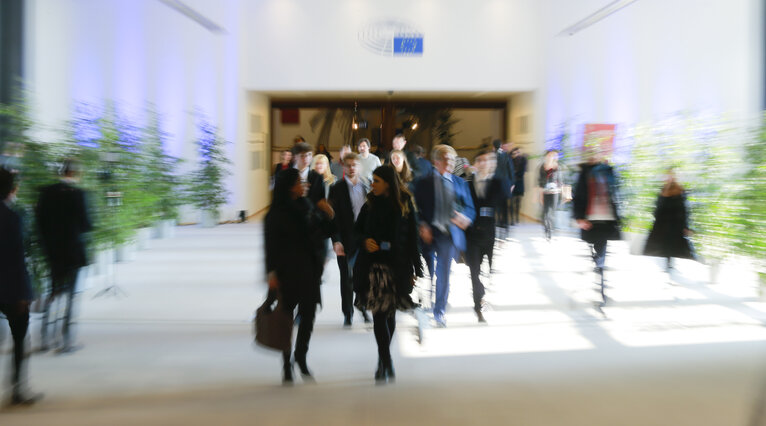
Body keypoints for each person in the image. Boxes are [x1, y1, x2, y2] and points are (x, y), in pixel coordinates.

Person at [264, 168, 334, 384]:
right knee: (285, 319)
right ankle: (286, 364)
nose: (302, 185)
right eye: (298, 182)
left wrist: (328, 214)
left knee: (308, 315)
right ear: (288, 186)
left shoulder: (307, 205)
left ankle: (300, 356)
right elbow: (270, 247)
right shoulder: (275, 214)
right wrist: (271, 273)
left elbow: (323, 233)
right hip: (286, 272)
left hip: (309, 270)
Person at [354, 165, 422, 383]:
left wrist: (416, 268)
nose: (372, 184)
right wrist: (365, 241)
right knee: (379, 314)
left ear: (387, 183)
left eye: (376, 181)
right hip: (374, 267)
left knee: (390, 313)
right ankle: (385, 359)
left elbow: (412, 238)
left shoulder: (404, 205)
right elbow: (357, 231)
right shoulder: (370, 204)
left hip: (397, 266)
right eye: (372, 180)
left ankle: (384, 359)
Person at [414, 145, 475, 327]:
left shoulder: (459, 183)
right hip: (428, 233)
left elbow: (470, 208)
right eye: (446, 160)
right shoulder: (422, 183)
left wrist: (466, 218)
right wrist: (422, 225)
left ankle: (439, 311)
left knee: (443, 274)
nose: (450, 163)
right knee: (428, 272)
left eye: (452, 160)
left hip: (449, 235)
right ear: (436, 161)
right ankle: (425, 301)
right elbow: (415, 209)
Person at [36, 158, 92, 353]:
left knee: (52, 293)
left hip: (52, 252)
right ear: (75, 173)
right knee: (70, 297)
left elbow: (39, 222)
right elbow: (86, 224)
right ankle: (66, 339)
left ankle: (44, 338)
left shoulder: (46, 193)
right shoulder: (79, 194)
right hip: (73, 253)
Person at [0, 167, 42, 405]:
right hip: (9, 289)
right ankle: (17, 389)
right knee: (18, 339)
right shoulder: (12, 217)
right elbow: (16, 259)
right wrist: (24, 293)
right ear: (11, 190)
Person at [573, 144, 621, 306]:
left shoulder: (608, 170)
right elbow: (578, 195)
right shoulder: (584, 173)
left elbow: (616, 190)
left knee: (602, 249)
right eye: (591, 154)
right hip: (590, 218)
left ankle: (601, 283)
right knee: (595, 245)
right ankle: (597, 261)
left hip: (606, 218)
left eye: (597, 153)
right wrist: (579, 218)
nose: (594, 157)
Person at [328, 152, 372, 326]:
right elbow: (332, 217)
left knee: (365, 276)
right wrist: (335, 240)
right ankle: (348, 313)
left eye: (355, 165)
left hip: (364, 238)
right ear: (343, 167)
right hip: (344, 239)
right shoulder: (336, 188)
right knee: (346, 277)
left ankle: (362, 307)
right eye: (349, 165)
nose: (352, 168)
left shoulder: (367, 187)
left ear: (360, 166)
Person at [466, 147, 504, 323]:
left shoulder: (497, 182)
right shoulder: (467, 183)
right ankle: (478, 304)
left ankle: (481, 293)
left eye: (485, 160)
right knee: (474, 271)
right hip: (471, 234)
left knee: (488, 269)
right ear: (475, 163)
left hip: (489, 233)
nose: (482, 163)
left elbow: (503, 208)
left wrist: (503, 232)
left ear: (490, 164)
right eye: (479, 160)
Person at [643, 167, 695, 271]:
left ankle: (669, 263)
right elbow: (658, 206)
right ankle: (668, 263)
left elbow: (683, 209)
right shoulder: (663, 190)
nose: (668, 177)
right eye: (667, 175)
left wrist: (685, 226)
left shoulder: (679, 190)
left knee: (673, 244)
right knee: (665, 244)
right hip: (663, 223)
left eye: (671, 175)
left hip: (675, 223)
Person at [538, 150, 564, 241]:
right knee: (545, 213)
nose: (551, 157)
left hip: (555, 193)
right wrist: (540, 195)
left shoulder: (557, 167)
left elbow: (560, 181)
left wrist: (562, 193)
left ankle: (550, 231)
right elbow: (540, 182)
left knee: (552, 213)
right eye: (549, 155)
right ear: (546, 156)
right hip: (545, 192)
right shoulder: (542, 167)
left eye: (553, 155)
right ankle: (547, 230)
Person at [494, 140, 515, 232]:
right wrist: (512, 183)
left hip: (495, 182)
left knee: (497, 204)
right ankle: (505, 223)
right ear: (501, 145)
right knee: (504, 204)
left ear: (493, 146)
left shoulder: (492, 156)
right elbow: (511, 170)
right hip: (505, 183)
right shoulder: (506, 155)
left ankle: (498, 221)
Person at [510, 147, 527, 225]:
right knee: (512, 201)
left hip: (519, 183)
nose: (517, 154)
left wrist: (515, 173)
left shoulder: (523, 160)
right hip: (512, 183)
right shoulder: (511, 160)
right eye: (515, 153)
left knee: (518, 202)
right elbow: (510, 171)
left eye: (518, 152)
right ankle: (512, 219)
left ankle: (516, 218)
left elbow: (523, 171)